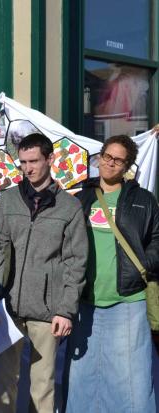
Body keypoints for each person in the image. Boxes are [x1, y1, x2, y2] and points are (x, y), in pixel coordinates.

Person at [0, 133, 88, 413]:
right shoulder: (8, 201)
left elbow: (75, 261)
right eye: (23, 162)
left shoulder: (70, 207)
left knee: (42, 388)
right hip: (8, 307)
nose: (27, 168)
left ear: (50, 159)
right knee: (2, 384)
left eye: (34, 161)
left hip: (47, 310)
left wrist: (66, 310)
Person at [64, 135, 158, 412]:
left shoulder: (143, 199)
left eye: (118, 160)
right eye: (107, 156)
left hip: (129, 299)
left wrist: (145, 262)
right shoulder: (81, 198)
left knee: (131, 377)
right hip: (86, 299)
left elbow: (157, 237)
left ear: (127, 166)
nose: (110, 164)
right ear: (99, 157)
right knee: (83, 374)